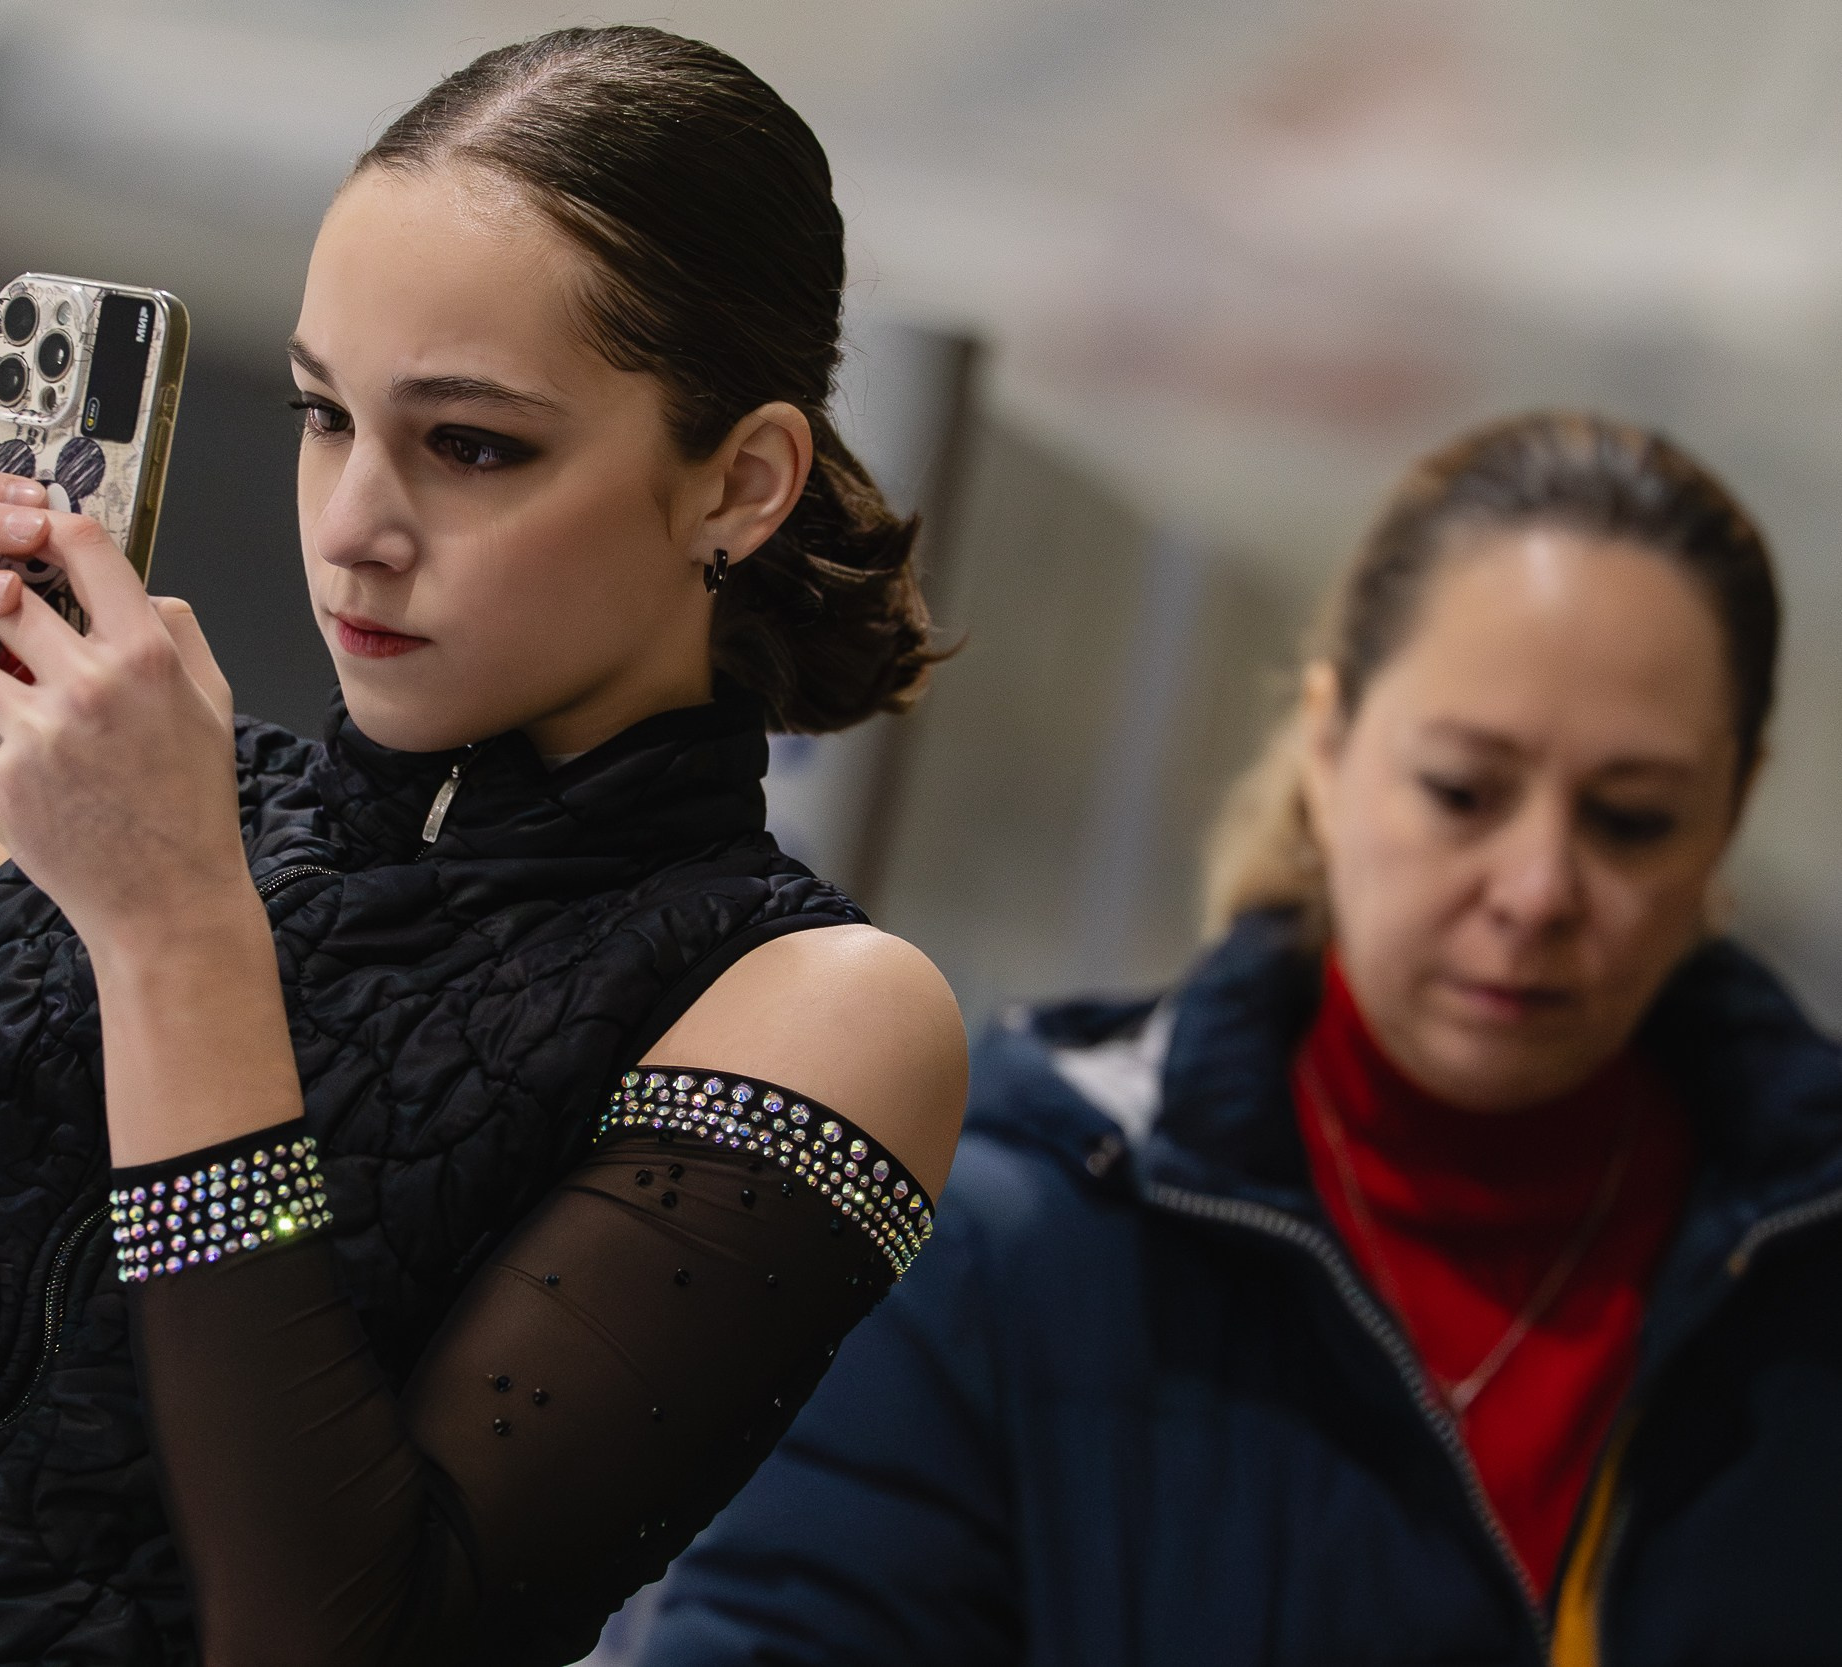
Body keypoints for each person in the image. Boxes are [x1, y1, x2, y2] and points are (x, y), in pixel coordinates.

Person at [0, 27, 969, 1667]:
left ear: (745, 481)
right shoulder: (93, 821)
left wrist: (175, 940)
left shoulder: (816, 1002)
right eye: (322, 414)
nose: (353, 521)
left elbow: (345, 1637)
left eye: (473, 443)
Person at [638, 411, 1842, 1666]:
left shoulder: (1804, 1266)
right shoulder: (1009, 1232)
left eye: (1633, 819)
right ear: (1327, 747)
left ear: (1730, 813)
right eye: (1462, 792)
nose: (1536, 888)